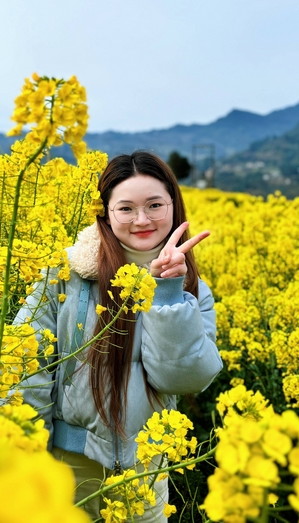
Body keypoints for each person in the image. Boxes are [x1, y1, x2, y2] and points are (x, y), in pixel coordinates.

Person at [13, 151, 223, 522]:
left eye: (155, 205)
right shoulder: (65, 274)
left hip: (145, 473)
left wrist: (168, 292)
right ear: (106, 213)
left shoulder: (192, 290)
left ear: (174, 206)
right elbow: (24, 364)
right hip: (66, 465)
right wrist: (22, 451)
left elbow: (186, 379)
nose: (142, 220)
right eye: (125, 208)